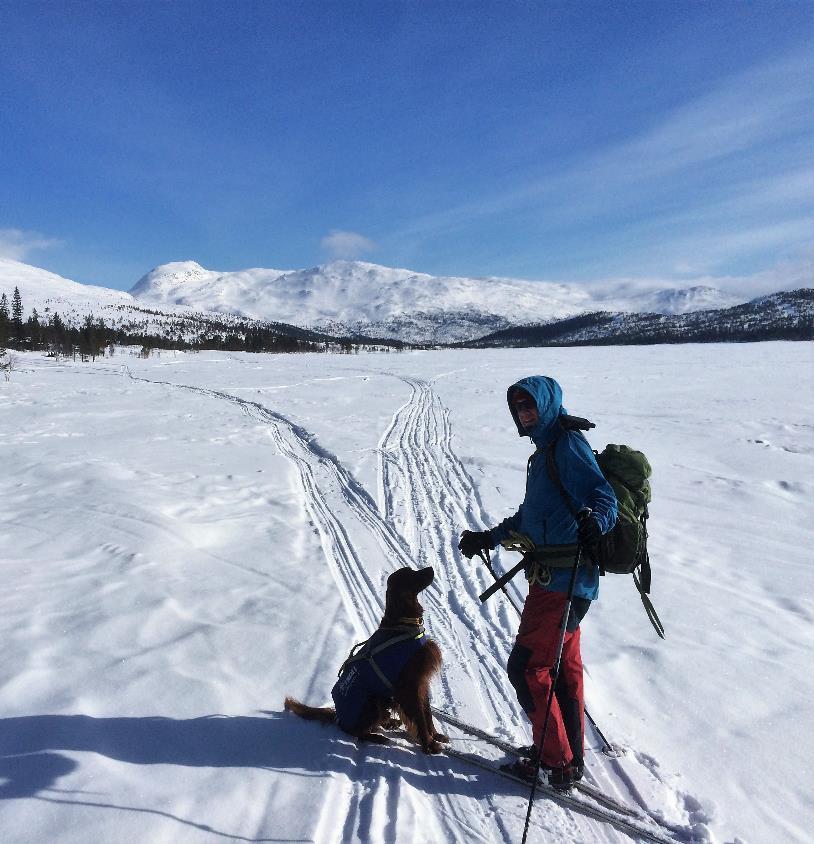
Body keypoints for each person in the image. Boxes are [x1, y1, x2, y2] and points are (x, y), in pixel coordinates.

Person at [458, 376, 617, 790]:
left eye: (529, 405)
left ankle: (556, 763)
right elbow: (531, 518)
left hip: (562, 584)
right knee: (561, 669)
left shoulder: (567, 445)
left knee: (528, 667)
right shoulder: (545, 450)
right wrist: (488, 538)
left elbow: (605, 498)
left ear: (546, 405)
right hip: (558, 582)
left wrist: (594, 524)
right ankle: (570, 755)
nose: (524, 413)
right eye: (518, 408)